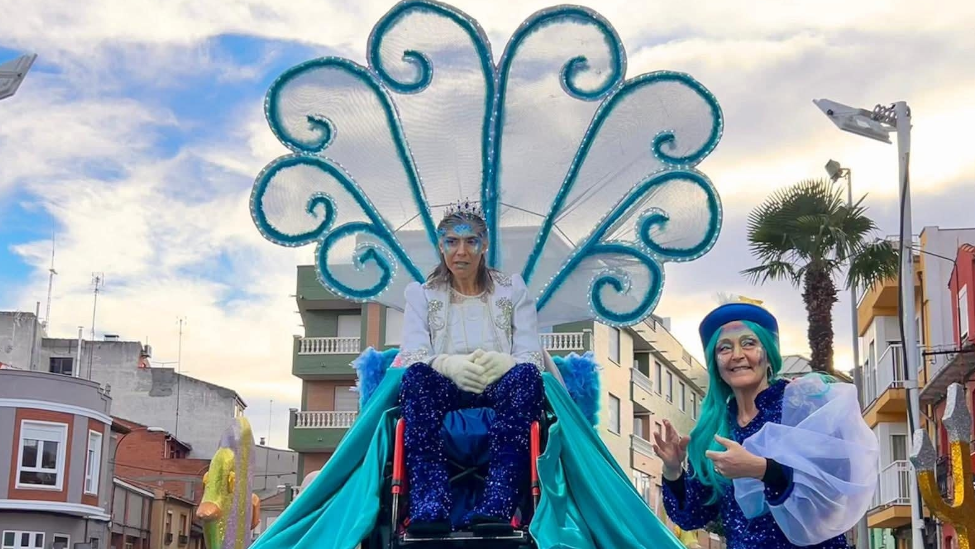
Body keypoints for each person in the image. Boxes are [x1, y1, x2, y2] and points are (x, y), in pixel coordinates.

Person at [653, 302, 878, 549]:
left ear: (768, 355)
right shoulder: (713, 431)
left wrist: (763, 470)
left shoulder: (800, 404)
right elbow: (692, 517)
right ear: (716, 364)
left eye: (748, 343)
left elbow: (833, 488)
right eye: (724, 348)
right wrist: (673, 470)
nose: (737, 354)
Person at [394, 201, 545, 535]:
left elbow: (531, 356)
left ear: (484, 245)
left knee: (527, 379)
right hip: (445, 386)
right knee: (416, 379)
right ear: (440, 246)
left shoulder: (513, 290)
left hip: (501, 386)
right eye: (451, 241)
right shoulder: (422, 295)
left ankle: (500, 501)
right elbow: (415, 355)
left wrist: (507, 363)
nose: (460, 251)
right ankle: (429, 502)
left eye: (470, 241)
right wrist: (447, 363)